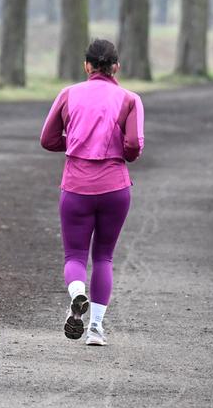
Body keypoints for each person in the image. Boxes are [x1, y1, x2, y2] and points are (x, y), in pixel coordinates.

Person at [39, 39, 145, 346]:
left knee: (74, 254)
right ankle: (96, 329)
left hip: (76, 186)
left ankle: (77, 293)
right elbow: (134, 145)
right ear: (116, 67)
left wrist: (73, 145)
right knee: (104, 257)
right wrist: (122, 153)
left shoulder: (68, 94)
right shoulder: (129, 99)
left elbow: (47, 139)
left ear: (87, 66)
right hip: (115, 187)